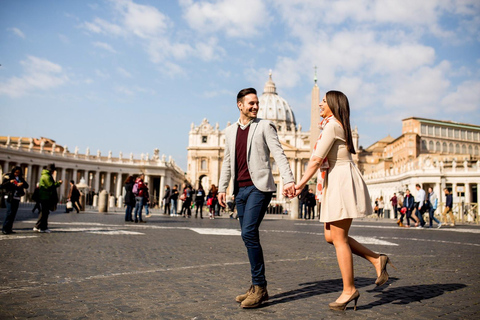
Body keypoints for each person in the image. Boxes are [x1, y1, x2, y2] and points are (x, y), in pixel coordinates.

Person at [290, 90, 394, 311]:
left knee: (338, 238)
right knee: (331, 236)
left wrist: (299, 185)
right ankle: (377, 260)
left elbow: (316, 160)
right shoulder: (334, 124)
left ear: (334, 104)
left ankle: (349, 289)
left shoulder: (332, 126)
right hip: (337, 180)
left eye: (324, 101)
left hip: (340, 182)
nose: (319, 103)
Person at [218, 87, 296, 309]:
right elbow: (227, 162)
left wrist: (288, 180)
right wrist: (223, 187)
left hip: (259, 188)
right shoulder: (230, 131)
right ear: (239, 105)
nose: (255, 106)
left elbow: (279, 153)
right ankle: (256, 285)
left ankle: (260, 287)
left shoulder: (265, 126)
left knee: (249, 232)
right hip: (240, 189)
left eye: (256, 103)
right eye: (250, 103)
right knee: (247, 237)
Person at [34, 163, 62, 233]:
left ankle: (39, 226)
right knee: (45, 213)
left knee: (44, 212)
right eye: (53, 170)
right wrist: (58, 183)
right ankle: (42, 227)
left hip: (45, 196)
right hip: (45, 196)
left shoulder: (46, 175)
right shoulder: (47, 176)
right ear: (51, 170)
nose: (53, 172)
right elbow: (50, 186)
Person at [1, 166, 29, 234]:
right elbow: (2, 186)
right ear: (13, 171)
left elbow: (27, 186)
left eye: (18, 173)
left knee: (13, 214)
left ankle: (9, 228)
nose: (17, 174)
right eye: (16, 172)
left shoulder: (20, 178)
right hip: (9, 197)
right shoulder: (8, 177)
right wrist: (10, 182)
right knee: (9, 213)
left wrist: (22, 183)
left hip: (17, 197)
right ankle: (4, 228)